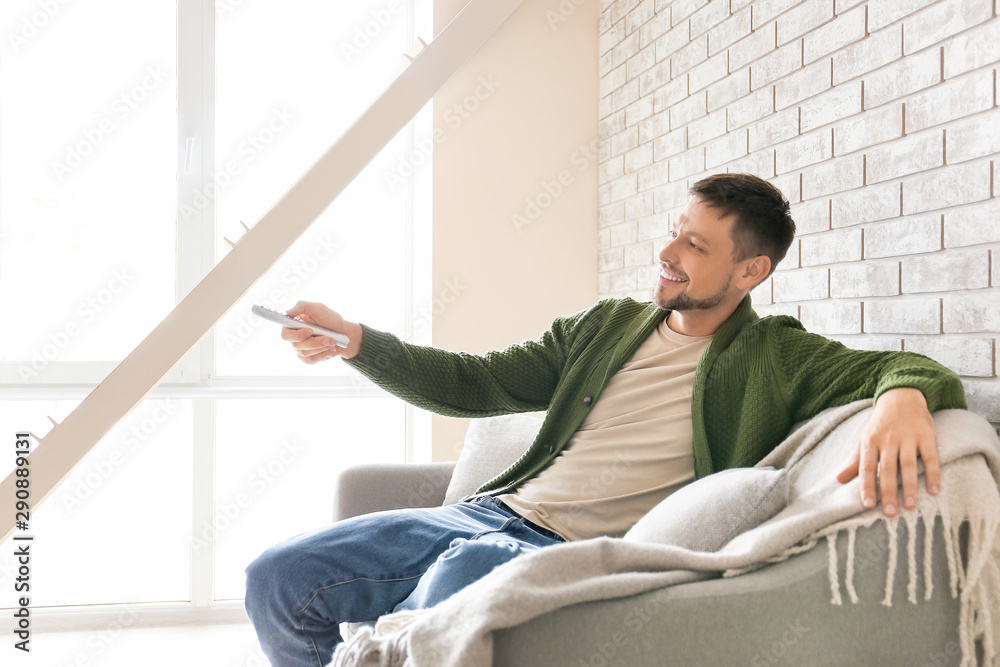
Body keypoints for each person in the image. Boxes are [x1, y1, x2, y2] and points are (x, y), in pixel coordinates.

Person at [244, 173, 966, 667]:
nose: (667, 253)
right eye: (674, 231)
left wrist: (903, 399)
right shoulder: (608, 324)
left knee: (455, 587)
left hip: (577, 550)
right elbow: (479, 381)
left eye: (696, 245)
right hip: (491, 513)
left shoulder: (775, 355)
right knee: (276, 576)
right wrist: (358, 340)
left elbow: (908, 369)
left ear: (750, 272)